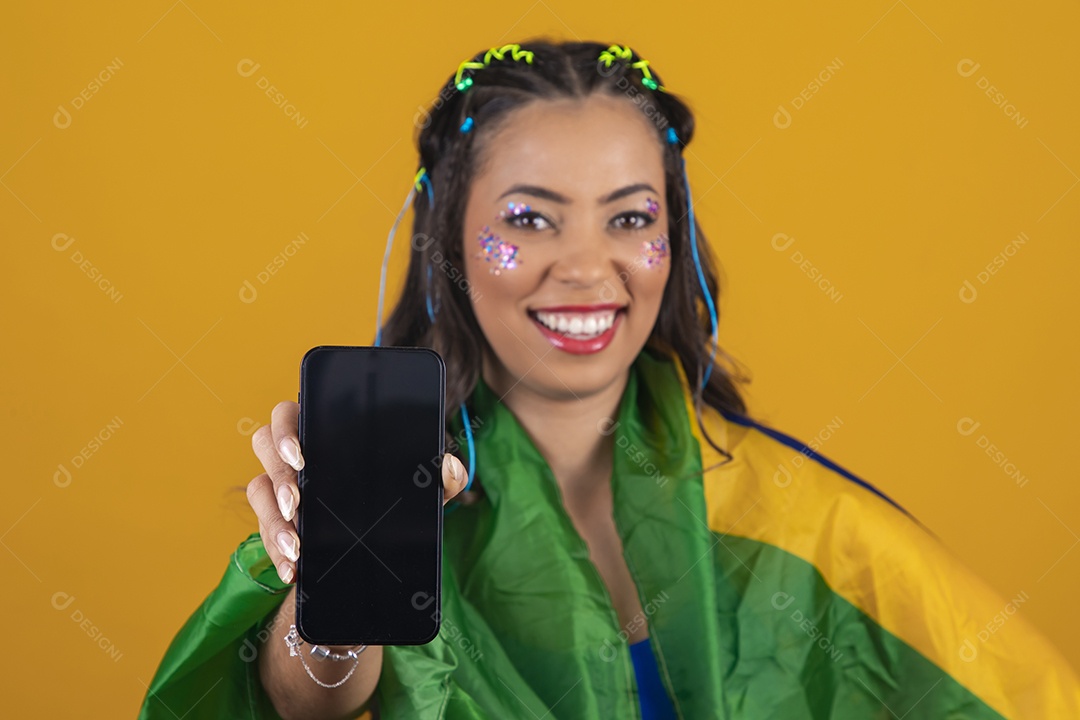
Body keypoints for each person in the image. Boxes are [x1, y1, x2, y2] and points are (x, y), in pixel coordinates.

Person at [139, 39, 1080, 720]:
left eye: (630, 218)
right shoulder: (402, 488)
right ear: (448, 238)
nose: (589, 268)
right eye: (530, 219)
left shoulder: (796, 522)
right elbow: (298, 703)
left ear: (676, 237)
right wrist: (339, 578)